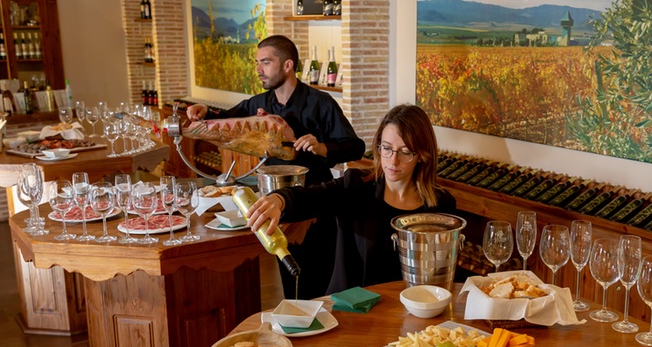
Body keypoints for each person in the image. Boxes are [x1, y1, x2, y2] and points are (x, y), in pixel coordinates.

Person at [186, 35, 366, 299]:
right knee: (290, 279)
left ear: (287, 65)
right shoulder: (259, 103)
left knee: (317, 283)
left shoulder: (321, 103)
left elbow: (354, 147)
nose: (259, 69)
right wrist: (204, 111)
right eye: (258, 63)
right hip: (275, 202)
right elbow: (224, 120)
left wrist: (321, 147)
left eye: (266, 62)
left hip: (316, 203)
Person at [246, 104, 458, 293]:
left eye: (405, 152)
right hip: (354, 312)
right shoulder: (356, 186)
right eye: (386, 148)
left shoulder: (441, 205)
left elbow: (442, 273)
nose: (393, 160)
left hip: (413, 312)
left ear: (421, 155)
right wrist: (279, 200)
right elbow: (311, 197)